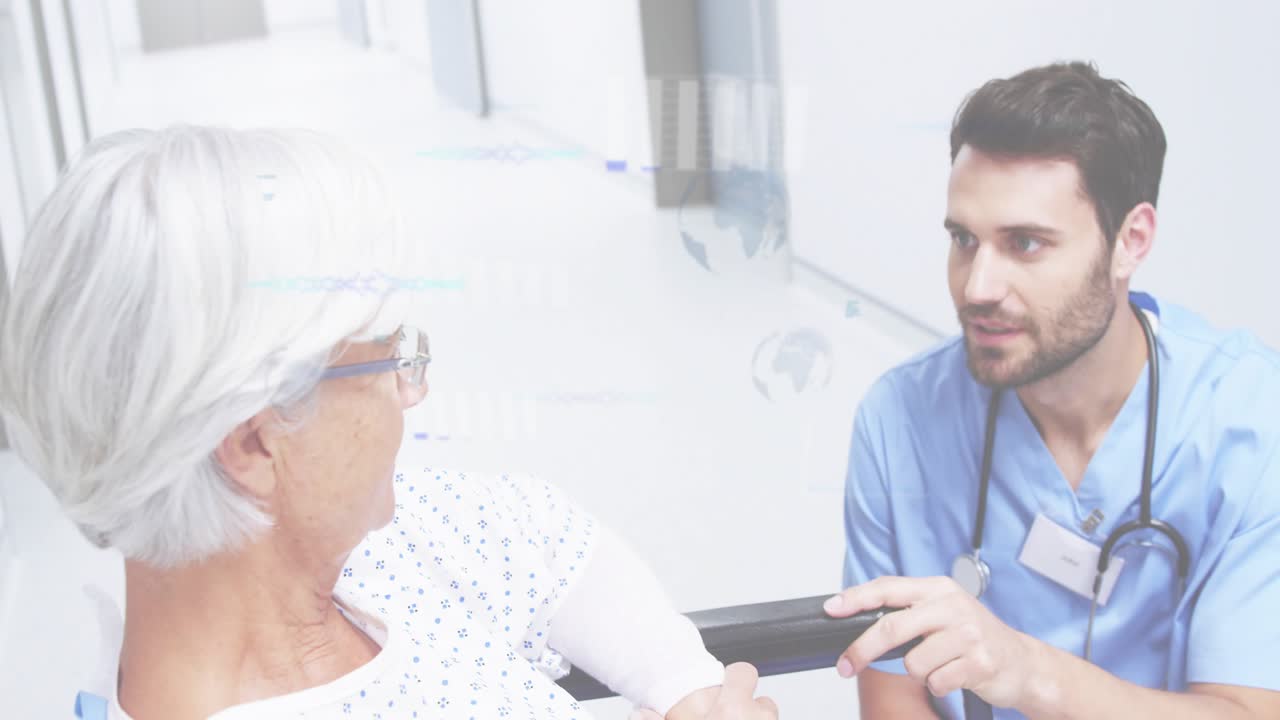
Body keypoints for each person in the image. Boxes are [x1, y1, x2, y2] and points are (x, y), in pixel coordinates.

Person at [0, 126, 777, 720]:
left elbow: (545, 540)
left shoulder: (364, 549)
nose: (412, 391)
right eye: (386, 359)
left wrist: (686, 684)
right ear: (255, 442)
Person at [824, 62, 1280, 719]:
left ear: (1130, 241)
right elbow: (894, 696)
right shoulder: (901, 420)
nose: (978, 286)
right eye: (963, 239)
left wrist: (1027, 673)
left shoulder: (1251, 423)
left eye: (1026, 244)